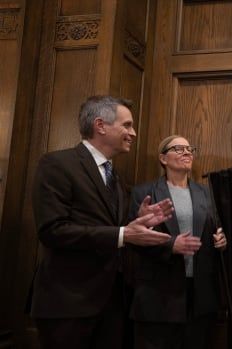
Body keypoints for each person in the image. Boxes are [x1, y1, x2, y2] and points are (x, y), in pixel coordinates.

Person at [30, 95, 174, 349]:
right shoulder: (57, 164)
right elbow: (52, 230)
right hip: (68, 304)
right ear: (100, 125)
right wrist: (123, 234)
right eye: (127, 125)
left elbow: (110, 226)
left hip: (111, 304)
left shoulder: (114, 176)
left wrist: (138, 220)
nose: (134, 133)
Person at [128, 135, 227, 349]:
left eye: (190, 148)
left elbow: (217, 229)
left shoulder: (206, 193)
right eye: (179, 148)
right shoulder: (143, 193)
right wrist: (170, 244)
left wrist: (221, 239)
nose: (187, 152)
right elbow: (132, 241)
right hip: (159, 295)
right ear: (163, 158)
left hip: (200, 295)